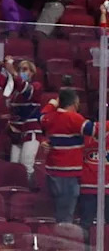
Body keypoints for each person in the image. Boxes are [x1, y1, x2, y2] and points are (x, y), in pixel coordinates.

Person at [41, 89, 98, 225]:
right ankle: (62, 237)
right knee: (65, 217)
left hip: (52, 173)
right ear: (75, 102)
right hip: (68, 174)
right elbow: (93, 130)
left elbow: (41, 116)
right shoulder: (74, 118)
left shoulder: (50, 117)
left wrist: (51, 104)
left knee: (57, 212)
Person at [1, 56, 42, 183]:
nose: (21, 72)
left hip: (30, 132)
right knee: (14, 166)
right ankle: (16, 190)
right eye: (20, 70)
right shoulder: (14, 91)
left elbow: (26, 90)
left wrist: (13, 72)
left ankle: (29, 190)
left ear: (32, 72)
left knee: (26, 165)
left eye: (25, 69)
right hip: (16, 134)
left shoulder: (36, 86)